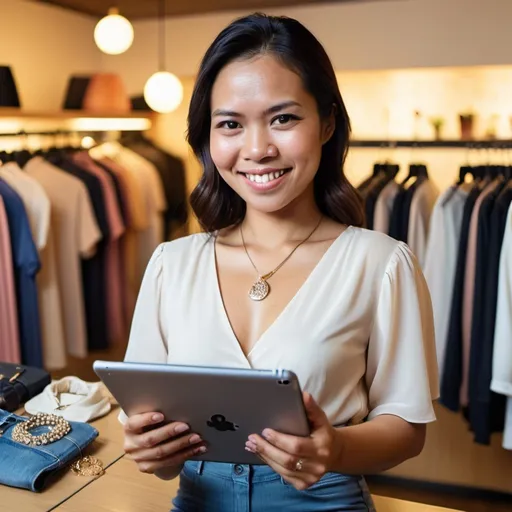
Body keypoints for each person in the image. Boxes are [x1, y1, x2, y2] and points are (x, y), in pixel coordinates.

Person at [119, 12, 439, 512]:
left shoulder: (382, 263)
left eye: (283, 118)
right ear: (208, 137)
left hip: (325, 498)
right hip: (198, 499)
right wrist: (150, 451)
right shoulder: (169, 265)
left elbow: (407, 429)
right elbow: (156, 448)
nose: (258, 149)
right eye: (230, 124)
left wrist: (336, 448)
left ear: (327, 123)